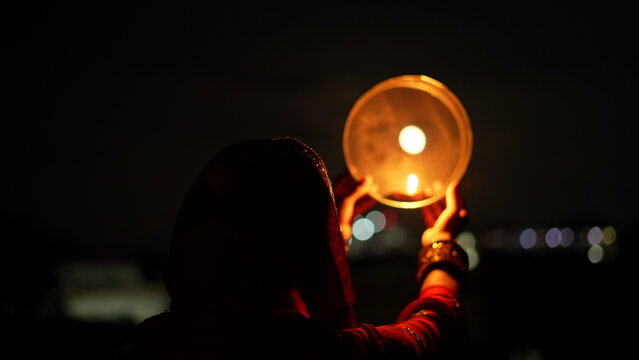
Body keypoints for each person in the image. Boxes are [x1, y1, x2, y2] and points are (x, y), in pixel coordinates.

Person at [117, 136, 470, 359]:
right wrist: (442, 248)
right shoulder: (314, 358)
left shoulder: (154, 344)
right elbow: (427, 336)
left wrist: (332, 229)